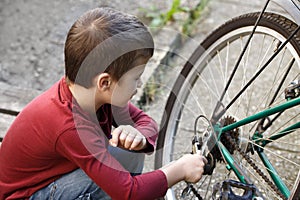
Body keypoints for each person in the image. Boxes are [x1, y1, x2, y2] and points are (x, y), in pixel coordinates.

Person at [0, 7, 206, 199]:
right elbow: (128, 192)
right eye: (135, 78)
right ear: (105, 82)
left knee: (129, 152)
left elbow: (144, 121)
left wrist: (140, 137)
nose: (140, 83)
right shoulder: (70, 126)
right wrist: (178, 170)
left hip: (56, 174)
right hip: (28, 194)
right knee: (116, 179)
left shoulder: (92, 92)